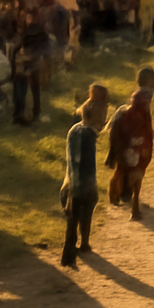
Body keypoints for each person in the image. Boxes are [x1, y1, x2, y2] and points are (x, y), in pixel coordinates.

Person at [60, 87, 108, 268]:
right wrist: (74, 194)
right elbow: (80, 163)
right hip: (80, 186)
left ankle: (75, 250)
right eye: (102, 114)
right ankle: (76, 249)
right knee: (81, 218)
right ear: (94, 114)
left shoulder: (75, 129)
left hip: (71, 185)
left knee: (74, 221)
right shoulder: (86, 134)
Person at [106, 68, 154, 220]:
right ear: (149, 81)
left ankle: (115, 195)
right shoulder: (145, 98)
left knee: (122, 169)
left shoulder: (137, 98)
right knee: (137, 172)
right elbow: (145, 123)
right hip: (138, 141)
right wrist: (146, 143)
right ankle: (134, 206)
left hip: (127, 141)